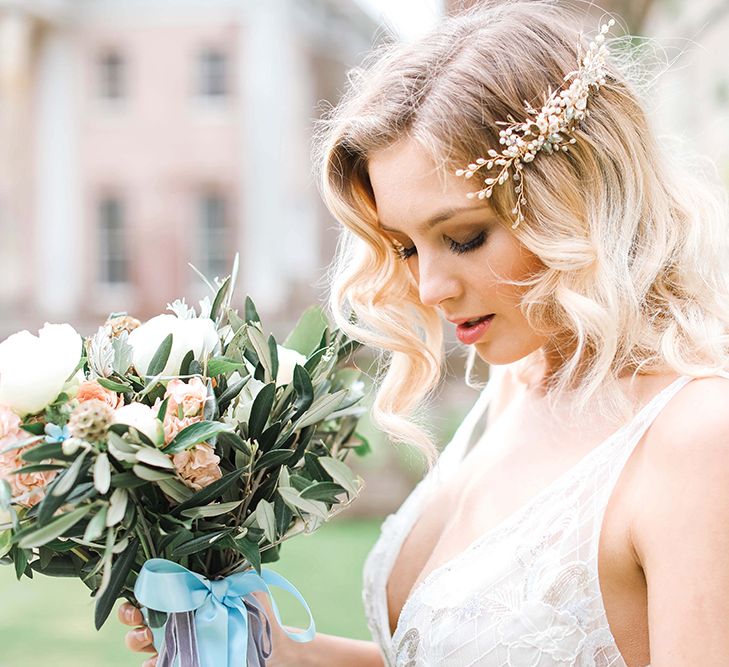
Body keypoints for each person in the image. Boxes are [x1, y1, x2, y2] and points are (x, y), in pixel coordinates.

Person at [121, 1, 729, 664]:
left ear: (576, 198)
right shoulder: (515, 383)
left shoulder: (697, 439)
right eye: (406, 247)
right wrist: (272, 647)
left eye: (463, 237)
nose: (429, 287)